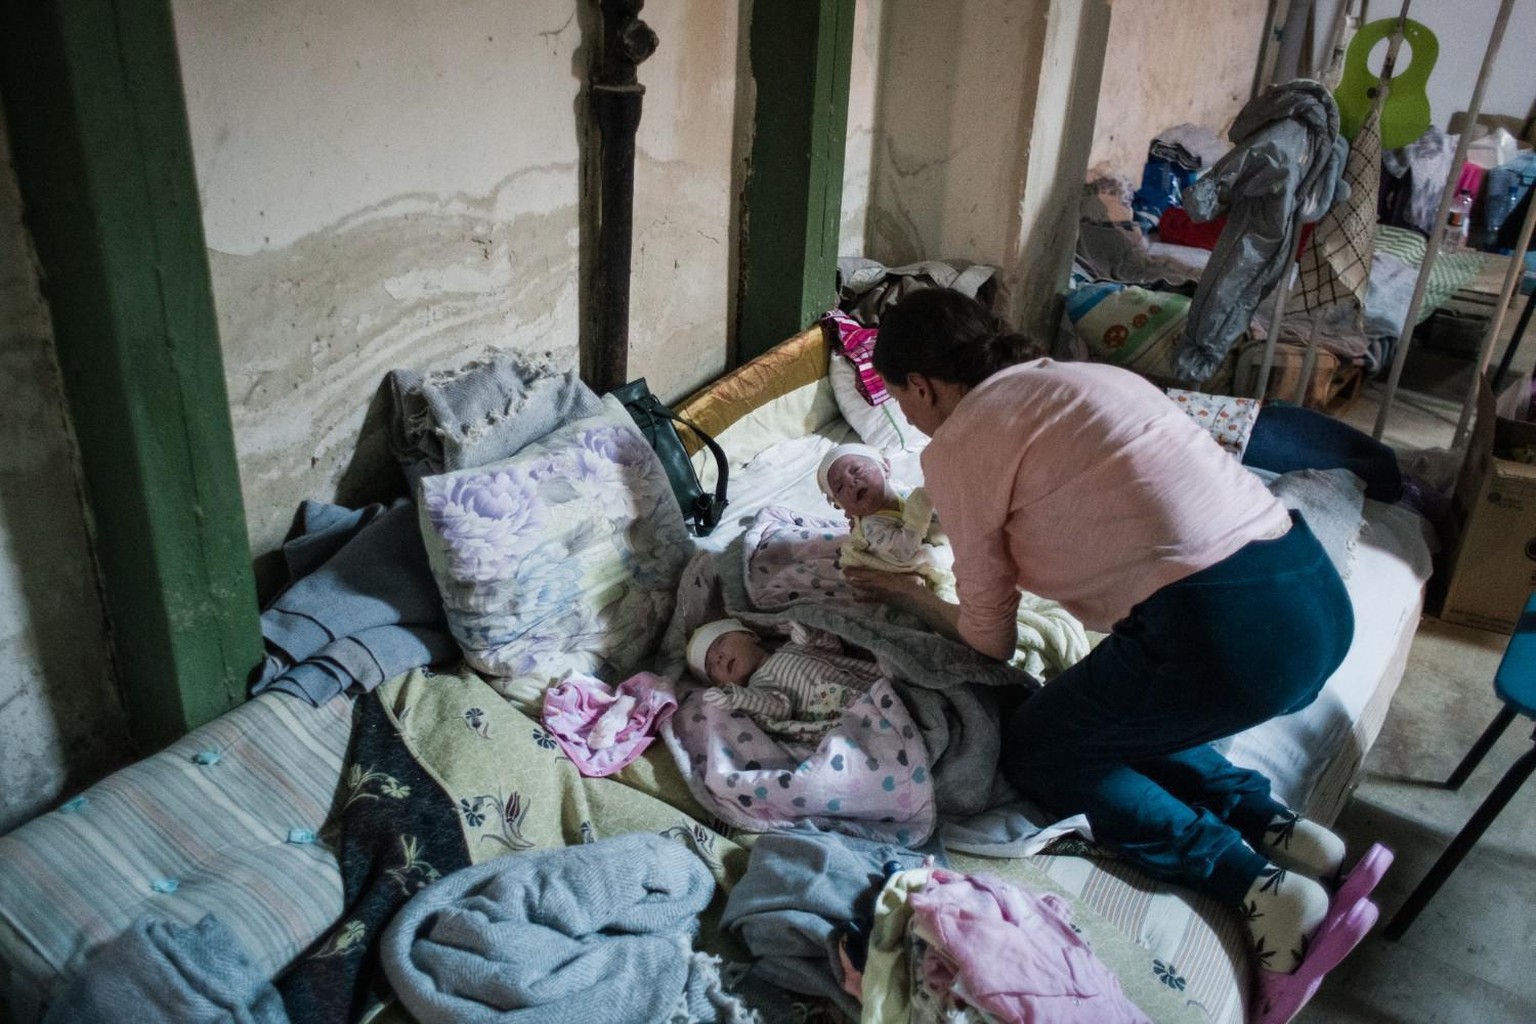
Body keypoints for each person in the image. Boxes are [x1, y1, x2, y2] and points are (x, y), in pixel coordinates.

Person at [845, 286, 1389, 1024]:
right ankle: (1286, 831)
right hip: (1309, 589)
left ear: (924, 385)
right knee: (1088, 707)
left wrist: (910, 596)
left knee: (1039, 746)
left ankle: (1257, 886)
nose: (911, 424)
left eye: (906, 408)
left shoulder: (963, 443)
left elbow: (988, 638)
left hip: (1228, 632)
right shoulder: (1083, 377)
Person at [686, 617, 881, 728]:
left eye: (720, 642)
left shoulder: (792, 646)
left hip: (873, 682)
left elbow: (832, 648)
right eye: (710, 667)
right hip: (855, 718)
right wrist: (733, 697)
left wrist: (810, 635)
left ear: (750, 636)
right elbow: (778, 708)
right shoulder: (759, 688)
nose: (717, 658)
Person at [816, 442, 952, 595]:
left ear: (886, 467)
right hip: (923, 572)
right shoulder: (871, 527)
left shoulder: (902, 492)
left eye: (856, 470)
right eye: (839, 487)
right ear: (840, 506)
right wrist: (918, 510)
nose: (850, 483)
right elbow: (904, 552)